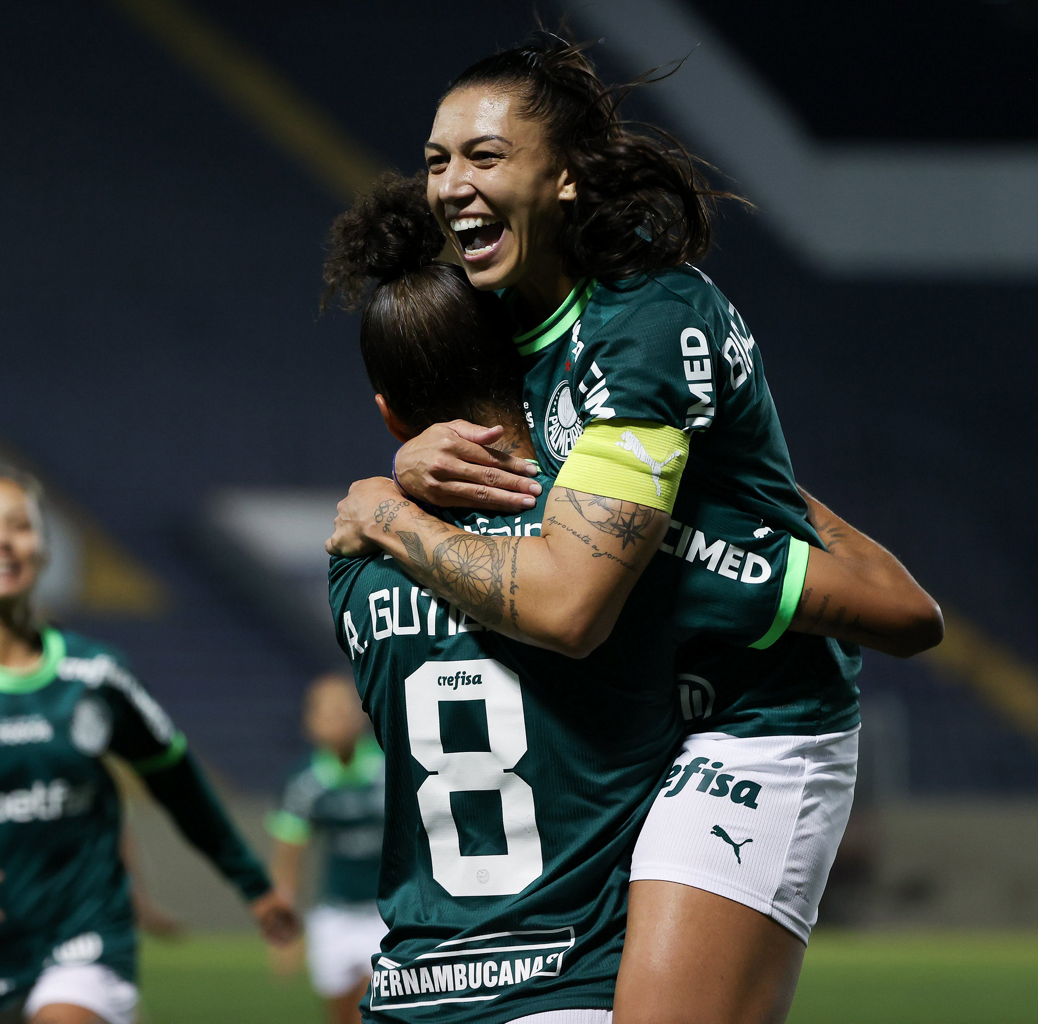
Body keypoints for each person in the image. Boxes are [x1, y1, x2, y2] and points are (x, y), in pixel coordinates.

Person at [328, 34, 943, 1024]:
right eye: (437, 160)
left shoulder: (643, 320)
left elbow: (569, 606)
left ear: (565, 177)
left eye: (485, 155)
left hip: (749, 723)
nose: (451, 184)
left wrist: (385, 513)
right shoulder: (514, 319)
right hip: (644, 708)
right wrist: (408, 461)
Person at [0, 469, 298, 1024]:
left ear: (44, 547)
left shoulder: (97, 674)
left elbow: (180, 787)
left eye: (19, 526)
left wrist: (253, 885)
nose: (2, 541)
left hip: (85, 937)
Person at [267, 674, 387, 1024]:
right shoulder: (302, 781)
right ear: (310, 721)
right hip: (334, 916)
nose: (338, 717)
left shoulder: (391, 767)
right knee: (340, 1015)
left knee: (375, 1009)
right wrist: (283, 931)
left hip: (388, 915)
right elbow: (288, 858)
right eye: (327, 710)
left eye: (345, 708)